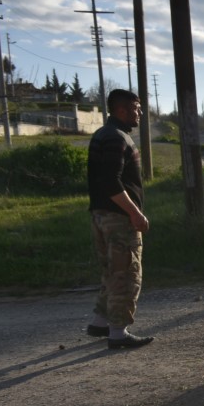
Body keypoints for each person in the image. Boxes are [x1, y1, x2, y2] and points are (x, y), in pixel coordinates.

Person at [87, 88, 153, 350]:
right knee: (126, 273)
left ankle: (100, 322)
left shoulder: (104, 134)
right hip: (118, 218)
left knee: (111, 272)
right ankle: (118, 333)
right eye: (136, 108)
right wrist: (135, 213)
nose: (140, 113)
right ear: (122, 109)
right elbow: (110, 181)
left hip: (101, 215)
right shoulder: (116, 137)